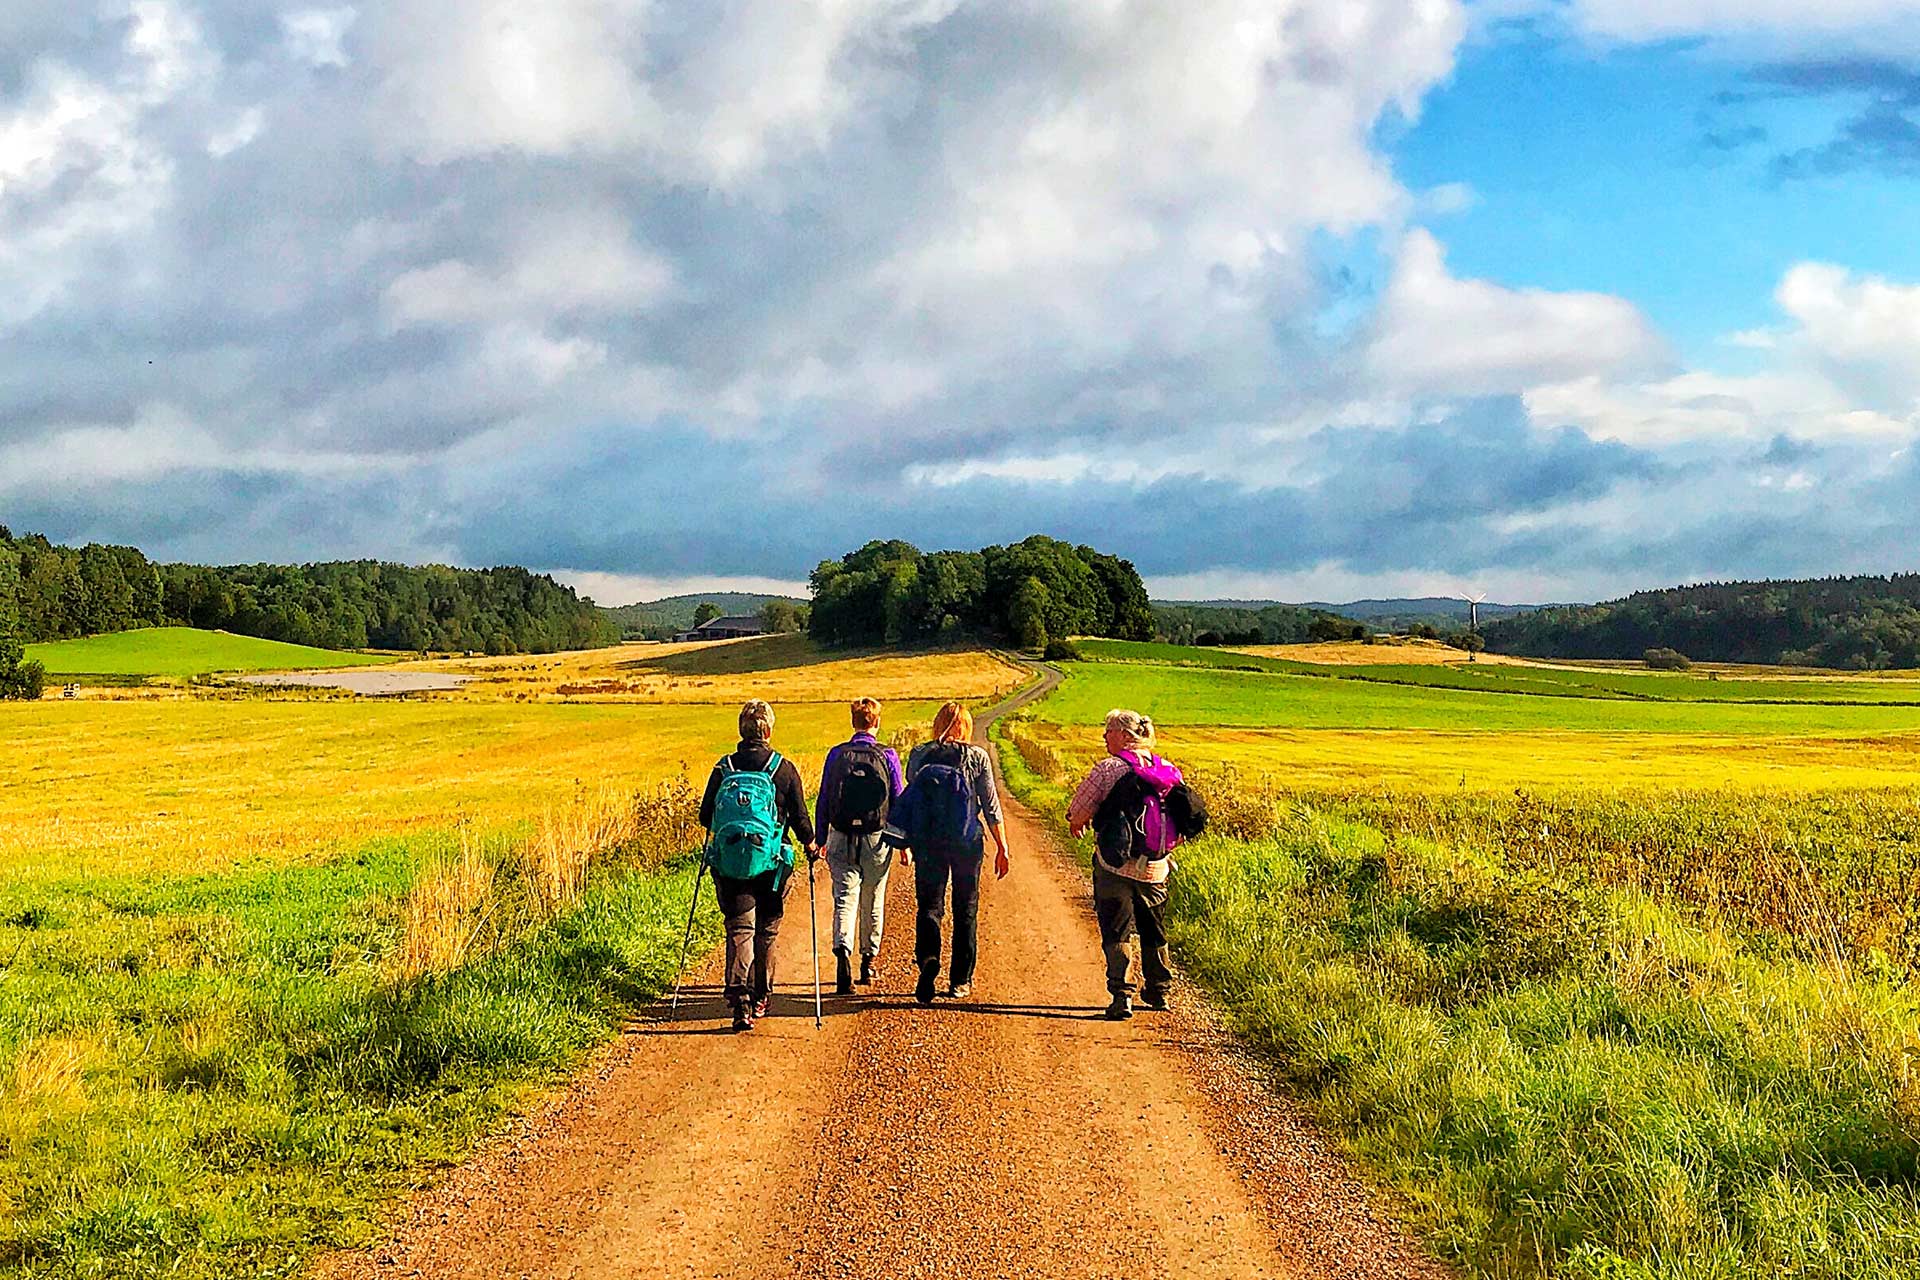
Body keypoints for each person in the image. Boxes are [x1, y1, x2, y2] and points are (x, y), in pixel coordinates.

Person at [699, 699, 815, 1031]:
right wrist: (810, 844)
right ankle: (762, 996)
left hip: (730, 863)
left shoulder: (724, 768)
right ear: (768, 731)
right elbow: (800, 817)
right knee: (766, 930)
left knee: (739, 929)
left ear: (742, 730)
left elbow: (705, 816)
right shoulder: (783, 768)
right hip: (772, 866)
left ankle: (740, 1003)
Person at [892, 701, 1010, 1005]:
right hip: (966, 842)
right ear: (967, 728)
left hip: (928, 842)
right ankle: (960, 980)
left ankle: (928, 959)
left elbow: (915, 795)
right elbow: (990, 805)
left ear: (937, 724)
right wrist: (1002, 846)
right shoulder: (977, 757)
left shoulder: (919, 754)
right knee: (965, 909)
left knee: (929, 906)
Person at [1068, 708, 1178, 1021]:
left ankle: (1122, 996)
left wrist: (1077, 822)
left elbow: (1078, 810)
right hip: (1155, 867)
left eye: (1109, 730)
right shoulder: (1167, 769)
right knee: (1154, 928)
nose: (1104, 736)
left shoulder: (1108, 769)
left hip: (1114, 865)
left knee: (1116, 929)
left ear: (1124, 735)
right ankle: (1159, 991)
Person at [812, 697, 905, 994]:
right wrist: (904, 842)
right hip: (876, 838)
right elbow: (898, 799)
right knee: (873, 898)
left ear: (853, 721)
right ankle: (868, 962)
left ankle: (843, 954)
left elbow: (824, 798)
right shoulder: (888, 755)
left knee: (844, 897)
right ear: (876, 722)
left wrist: (820, 839)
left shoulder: (836, 755)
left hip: (841, 835)